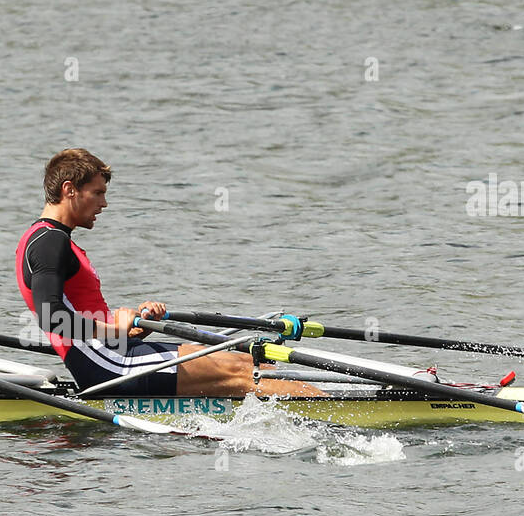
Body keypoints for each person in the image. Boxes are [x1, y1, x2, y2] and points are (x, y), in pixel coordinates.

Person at [16, 149, 325, 397]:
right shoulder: (49, 242)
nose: (104, 203)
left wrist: (132, 324)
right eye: (97, 193)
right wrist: (116, 330)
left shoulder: (51, 240)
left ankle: (329, 404)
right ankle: (341, 418)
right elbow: (53, 318)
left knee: (251, 360)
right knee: (243, 371)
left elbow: (76, 310)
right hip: (108, 364)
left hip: (117, 351)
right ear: (69, 190)